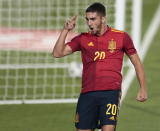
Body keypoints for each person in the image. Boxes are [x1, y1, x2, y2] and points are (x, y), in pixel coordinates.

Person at [53, 2, 147, 131]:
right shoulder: (83, 39)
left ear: (103, 19)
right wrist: (65, 30)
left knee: (108, 128)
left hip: (111, 92)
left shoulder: (121, 37)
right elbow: (57, 53)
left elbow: (137, 62)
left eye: (93, 19)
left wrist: (143, 88)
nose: (89, 23)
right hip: (87, 93)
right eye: (87, 19)